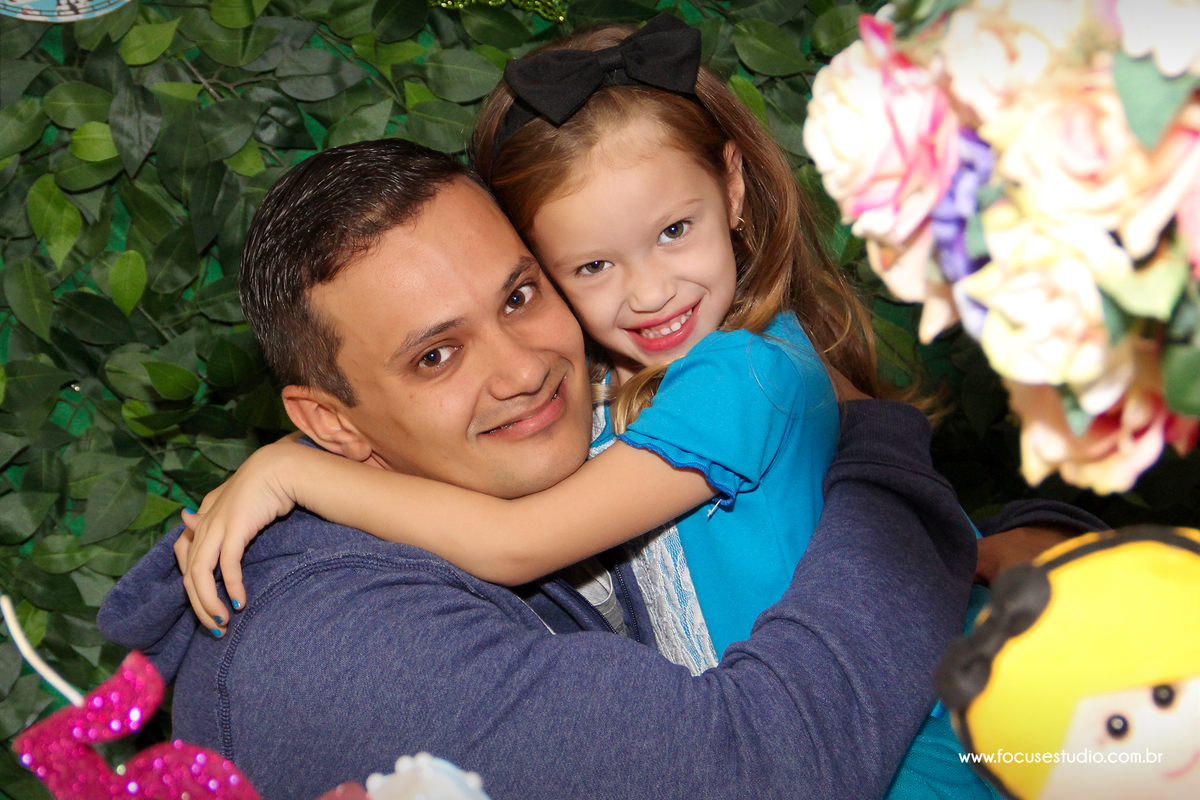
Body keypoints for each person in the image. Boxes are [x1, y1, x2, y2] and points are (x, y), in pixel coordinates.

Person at [169, 19, 1100, 800]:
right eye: (592, 266)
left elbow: (516, 544)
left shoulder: (738, 376)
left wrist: (292, 471)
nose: (650, 294)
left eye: (519, 297)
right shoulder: (341, 630)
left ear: (733, 189)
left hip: (917, 747)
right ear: (331, 418)